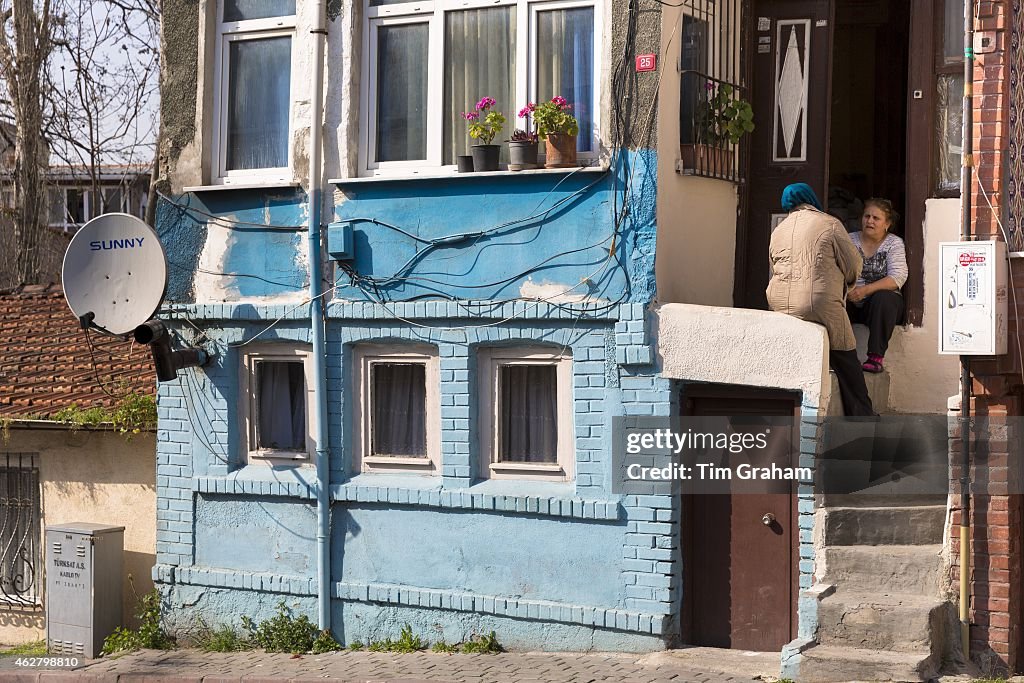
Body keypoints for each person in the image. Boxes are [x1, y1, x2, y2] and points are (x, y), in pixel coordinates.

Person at [766, 183, 875, 417]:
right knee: (846, 357)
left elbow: (773, 267)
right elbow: (853, 264)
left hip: (779, 303)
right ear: (811, 199)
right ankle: (862, 416)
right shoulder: (830, 223)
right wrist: (846, 286)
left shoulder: (778, 230)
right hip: (818, 302)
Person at [846, 198, 908, 373]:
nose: (870, 221)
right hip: (852, 300)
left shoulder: (893, 243)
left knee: (885, 298)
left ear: (887, 224)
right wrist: (849, 291)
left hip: (879, 306)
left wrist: (864, 291)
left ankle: (875, 358)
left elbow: (898, 277)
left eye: (876, 218)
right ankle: (834, 357)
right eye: (867, 216)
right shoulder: (850, 240)